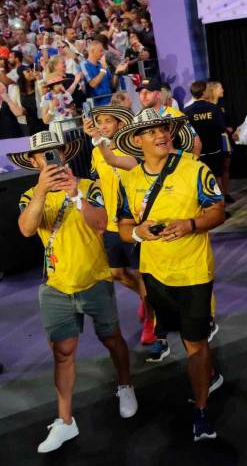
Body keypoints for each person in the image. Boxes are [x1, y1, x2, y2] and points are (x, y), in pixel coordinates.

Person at [11, 131, 137, 453]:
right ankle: (65, 421)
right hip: (56, 288)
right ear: (34, 161)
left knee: (112, 338)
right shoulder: (29, 195)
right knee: (62, 353)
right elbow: (26, 229)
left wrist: (75, 195)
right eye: (43, 155)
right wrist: (42, 188)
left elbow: (99, 223)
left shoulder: (88, 186)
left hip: (95, 280)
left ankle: (125, 385)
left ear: (65, 155)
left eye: (55, 152)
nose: (50, 158)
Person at [115, 108, 226, 441]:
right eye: (152, 131)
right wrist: (139, 234)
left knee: (194, 342)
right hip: (154, 275)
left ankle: (202, 411)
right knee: (183, 337)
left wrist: (190, 224)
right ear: (137, 140)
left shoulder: (195, 169)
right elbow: (122, 226)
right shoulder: (130, 180)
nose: (162, 134)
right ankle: (210, 374)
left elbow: (218, 211)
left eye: (165, 128)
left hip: (193, 271)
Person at [84, 105, 155, 345]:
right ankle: (147, 300)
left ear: (120, 125)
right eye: (99, 121)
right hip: (111, 223)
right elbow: (100, 184)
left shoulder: (134, 148)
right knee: (117, 273)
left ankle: (150, 321)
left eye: (107, 121)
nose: (103, 125)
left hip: (134, 221)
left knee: (141, 273)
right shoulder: (96, 152)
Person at [137, 77, 202, 156]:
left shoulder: (175, 115)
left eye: (148, 92)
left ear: (158, 94)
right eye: (140, 92)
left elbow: (196, 143)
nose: (143, 96)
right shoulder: (138, 118)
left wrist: (192, 166)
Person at [185, 80, 227, 179]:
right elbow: (221, 128)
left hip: (197, 152)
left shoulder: (186, 111)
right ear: (203, 92)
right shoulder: (213, 108)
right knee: (217, 178)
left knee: (201, 179)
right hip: (214, 150)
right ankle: (220, 195)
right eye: (207, 90)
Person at [205, 81, 235, 203]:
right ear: (213, 90)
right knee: (218, 168)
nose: (223, 90)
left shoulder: (222, 105)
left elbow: (227, 121)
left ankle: (226, 193)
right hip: (216, 141)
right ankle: (220, 196)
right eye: (220, 88)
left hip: (226, 139)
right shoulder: (208, 107)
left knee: (226, 166)